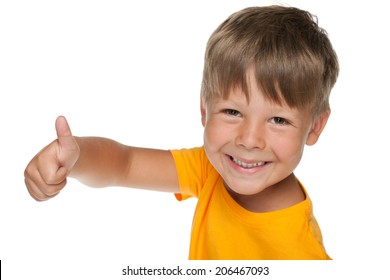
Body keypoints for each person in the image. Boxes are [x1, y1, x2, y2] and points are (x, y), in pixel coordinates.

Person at [24, 5, 339, 260]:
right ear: (204, 109)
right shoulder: (209, 169)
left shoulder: (302, 256)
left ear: (315, 126)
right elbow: (125, 164)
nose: (249, 140)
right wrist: (77, 158)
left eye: (278, 120)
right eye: (232, 112)